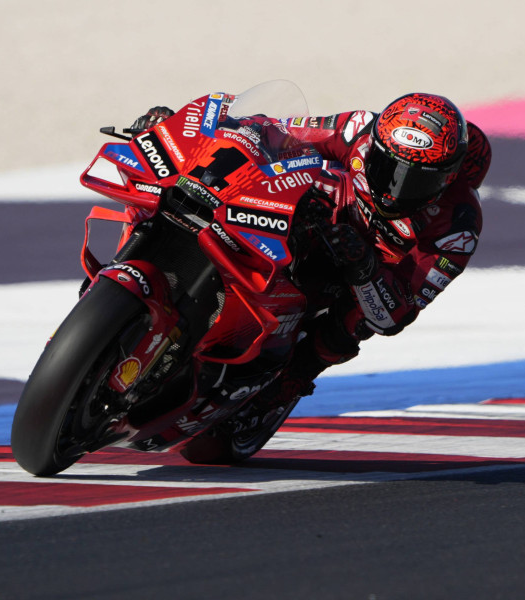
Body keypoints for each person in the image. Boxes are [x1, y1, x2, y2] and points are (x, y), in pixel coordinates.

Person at [130, 93, 492, 416]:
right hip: (310, 212)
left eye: (416, 179)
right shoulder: (356, 129)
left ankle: (292, 378)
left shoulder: (458, 226)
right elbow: (268, 130)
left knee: (356, 321)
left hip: (360, 270)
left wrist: (364, 267)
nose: (396, 189)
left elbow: (397, 315)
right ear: (376, 146)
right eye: (389, 169)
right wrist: (177, 130)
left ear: (447, 178)